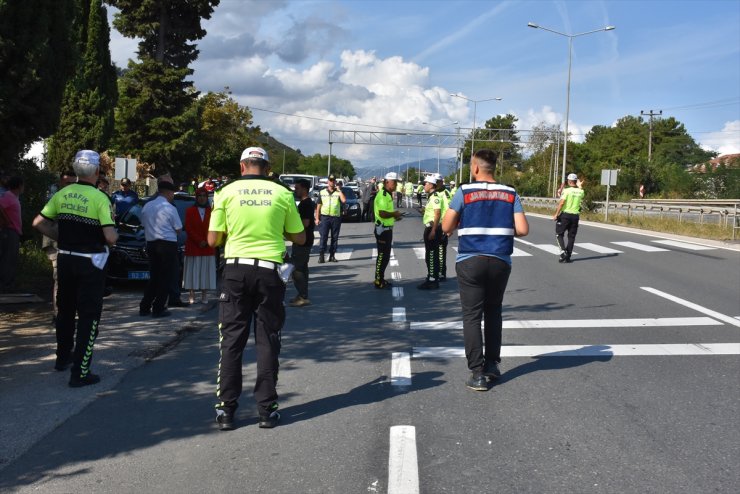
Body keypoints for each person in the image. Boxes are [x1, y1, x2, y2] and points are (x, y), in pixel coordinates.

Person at [207, 146, 305, 431]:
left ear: (242, 167)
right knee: (267, 339)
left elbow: (213, 239)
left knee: (231, 342)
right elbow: (299, 237)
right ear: (267, 167)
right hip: (269, 270)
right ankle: (266, 409)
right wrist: (280, 229)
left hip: (236, 270)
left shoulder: (225, 192)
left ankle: (226, 410)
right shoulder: (282, 193)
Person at [441, 149, 529, 392]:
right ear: (494, 168)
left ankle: (477, 373)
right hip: (500, 261)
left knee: (472, 315)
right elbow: (522, 229)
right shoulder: (510, 193)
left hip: (470, 260)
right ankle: (492, 365)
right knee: (493, 312)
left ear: (476, 168)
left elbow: (446, 225)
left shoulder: (464, 192)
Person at [32, 150, 118, 387]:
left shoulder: (63, 193)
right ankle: (80, 372)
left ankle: (62, 358)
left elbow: (38, 222)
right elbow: (110, 237)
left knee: (65, 312)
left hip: (66, 258)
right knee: (89, 316)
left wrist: (59, 235)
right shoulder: (101, 198)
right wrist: (114, 235)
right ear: (97, 172)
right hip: (90, 262)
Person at [139, 181, 183, 318]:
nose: (173, 196)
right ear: (168, 193)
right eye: (172, 194)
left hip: (151, 244)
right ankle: (159, 308)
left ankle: (145, 306)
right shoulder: (169, 208)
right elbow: (178, 228)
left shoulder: (147, 206)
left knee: (154, 277)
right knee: (166, 277)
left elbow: (143, 224)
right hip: (167, 245)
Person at [42, 170, 77, 323]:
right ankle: (58, 314)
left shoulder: (73, 198)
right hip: (56, 244)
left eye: (72, 183)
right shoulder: (55, 198)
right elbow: (42, 223)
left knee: (70, 280)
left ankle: (66, 312)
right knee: (59, 279)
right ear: (61, 182)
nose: (70, 185)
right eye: (67, 182)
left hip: (70, 245)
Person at [183, 188, 216, 304]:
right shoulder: (190, 211)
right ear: (196, 198)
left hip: (207, 246)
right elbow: (188, 228)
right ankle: (191, 295)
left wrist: (207, 240)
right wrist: (199, 240)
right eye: (199, 196)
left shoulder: (212, 212)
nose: (202, 198)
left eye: (204, 196)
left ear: (207, 198)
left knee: (205, 271)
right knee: (192, 271)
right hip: (193, 246)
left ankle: (204, 295)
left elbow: (214, 227)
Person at [373, 172, 403, 289]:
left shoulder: (389, 195)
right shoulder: (382, 195)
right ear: (387, 182)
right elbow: (382, 213)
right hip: (382, 230)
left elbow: (388, 214)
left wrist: (395, 216)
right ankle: (378, 280)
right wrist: (394, 214)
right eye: (394, 182)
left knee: (386, 256)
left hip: (388, 229)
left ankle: (380, 278)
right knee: (382, 255)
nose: (395, 184)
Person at [289, 179, 315, 307]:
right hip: (305, 239)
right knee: (303, 268)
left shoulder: (305, 204)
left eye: (297, 188)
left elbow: (305, 223)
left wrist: (291, 228)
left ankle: (303, 296)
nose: (295, 190)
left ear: (304, 189)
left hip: (303, 240)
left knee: (297, 269)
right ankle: (302, 294)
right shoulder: (306, 203)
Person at [553, 173, 585, 263]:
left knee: (559, 234)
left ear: (569, 181)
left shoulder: (566, 191)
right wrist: (580, 187)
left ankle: (563, 252)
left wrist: (556, 214)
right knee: (571, 237)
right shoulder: (581, 191)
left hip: (565, 215)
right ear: (576, 181)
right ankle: (568, 256)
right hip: (575, 216)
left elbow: (562, 202)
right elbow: (580, 194)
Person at [418, 174, 443, 290]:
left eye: (425, 184)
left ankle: (433, 280)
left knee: (432, 255)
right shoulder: (431, 197)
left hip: (432, 228)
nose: (424, 186)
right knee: (430, 254)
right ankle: (431, 277)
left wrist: (433, 230)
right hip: (430, 227)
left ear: (431, 185)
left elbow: (437, 213)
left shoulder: (435, 197)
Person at [0, 176, 24, 291]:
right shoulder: (9, 195)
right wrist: (5, 220)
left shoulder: (14, 196)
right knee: (8, 259)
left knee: (11, 258)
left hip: (14, 231)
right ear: (19, 185)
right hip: (9, 230)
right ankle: (6, 285)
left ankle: (9, 283)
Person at [315, 175, 345, 263]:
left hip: (335, 217)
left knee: (334, 237)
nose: (332, 182)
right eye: (330, 180)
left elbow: (343, 201)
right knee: (323, 237)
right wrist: (317, 218)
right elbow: (318, 206)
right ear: (328, 181)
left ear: (335, 182)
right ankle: (321, 256)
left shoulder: (338, 192)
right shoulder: (322, 192)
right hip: (325, 217)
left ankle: (332, 255)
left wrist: (339, 191)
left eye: (333, 180)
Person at [437, 175, 452, 282]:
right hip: (435, 226)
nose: (435, 184)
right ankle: (436, 272)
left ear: (441, 182)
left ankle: (442, 273)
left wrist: (448, 228)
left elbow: (448, 211)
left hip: (443, 226)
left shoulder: (445, 193)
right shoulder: (435, 193)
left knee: (441, 251)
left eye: (437, 182)